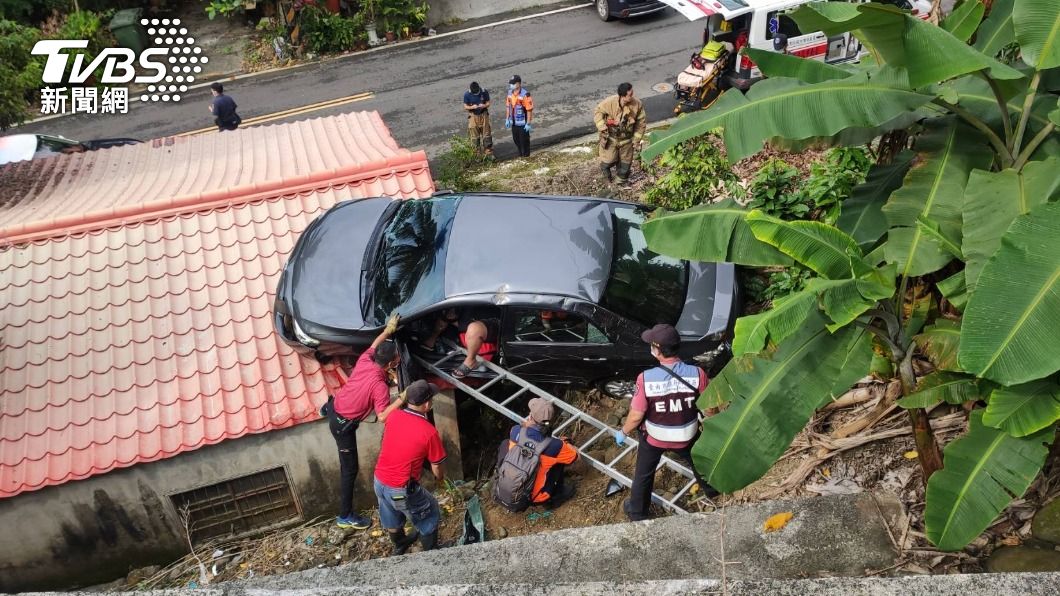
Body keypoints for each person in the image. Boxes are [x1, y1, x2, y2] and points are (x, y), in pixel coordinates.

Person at [614, 324, 720, 521]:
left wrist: (623, 431)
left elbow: (637, 415)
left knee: (643, 475)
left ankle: (637, 512)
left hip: (655, 438)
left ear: (657, 349)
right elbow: (709, 409)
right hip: (687, 436)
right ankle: (713, 490)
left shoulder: (645, 379)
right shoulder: (698, 374)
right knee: (700, 463)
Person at [327, 313, 406, 529]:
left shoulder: (365, 360)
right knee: (349, 470)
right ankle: (345, 516)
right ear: (390, 363)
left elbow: (374, 344)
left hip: (335, 405)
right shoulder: (379, 387)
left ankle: (326, 408)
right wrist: (401, 398)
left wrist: (388, 331)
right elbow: (382, 416)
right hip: (343, 426)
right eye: (397, 359)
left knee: (336, 405)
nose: (398, 361)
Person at [373, 379, 448, 554]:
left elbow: (383, 414)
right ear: (427, 404)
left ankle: (400, 544)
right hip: (400, 488)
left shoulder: (394, 415)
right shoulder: (429, 431)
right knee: (428, 511)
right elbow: (436, 466)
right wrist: (440, 480)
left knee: (391, 513)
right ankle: (432, 552)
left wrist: (401, 398)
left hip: (379, 481)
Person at [496, 398, 578, 508]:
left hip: (505, 490)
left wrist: (527, 427)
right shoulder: (555, 445)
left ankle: (501, 477)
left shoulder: (516, 430)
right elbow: (574, 456)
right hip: (534, 497)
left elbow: (525, 434)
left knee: (506, 443)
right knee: (558, 461)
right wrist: (565, 443)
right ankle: (557, 495)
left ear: (530, 416)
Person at [418, 308, 499, 379]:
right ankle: (430, 341)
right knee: (444, 316)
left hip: (493, 319)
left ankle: (470, 361)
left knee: (474, 329)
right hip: (469, 310)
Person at [594, 82, 647, 186]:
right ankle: (607, 179)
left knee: (625, 165)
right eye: (630, 95)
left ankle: (620, 182)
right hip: (611, 138)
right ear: (622, 96)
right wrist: (602, 126)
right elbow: (598, 111)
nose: (632, 96)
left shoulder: (637, 104)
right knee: (607, 162)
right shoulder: (610, 102)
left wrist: (636, 139)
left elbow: (641, 123)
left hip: (627, 140)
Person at [505, 75, 534, 158]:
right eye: (511, 84)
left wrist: (528, 123)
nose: (511, 85)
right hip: (513, 122)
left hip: (522, 124)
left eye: (513, 83)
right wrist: (507, 119)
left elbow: (529, 110)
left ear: (518, 83)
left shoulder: (525, 95)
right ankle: (521, 155)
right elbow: (508, 107)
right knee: (516, 140)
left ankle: (526, 157)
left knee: (524, 142)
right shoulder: (510, 93)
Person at [463, 81, 493, 156]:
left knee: (486, 133)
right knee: (474, 135)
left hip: (483, 114)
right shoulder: (467, 94)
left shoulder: (484, 91)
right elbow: (465, 106)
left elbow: (488, 103)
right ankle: (477, 153)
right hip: (473, 115)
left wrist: (484, 105)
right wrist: (472, 107)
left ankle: (488, 151)